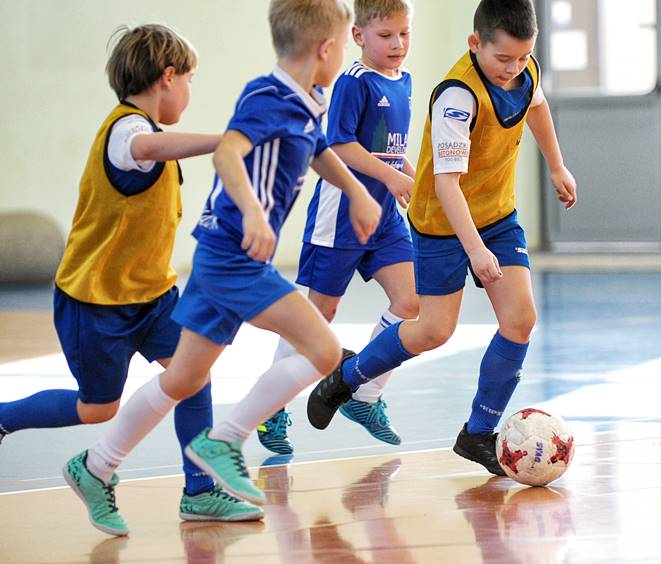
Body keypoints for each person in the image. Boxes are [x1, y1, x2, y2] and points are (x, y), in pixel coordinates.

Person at [63, 0, 382, 536]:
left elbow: (318, 148)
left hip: (220, 254)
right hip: (234, 256)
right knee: (325, 350)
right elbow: (228, 154)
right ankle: (226, 439)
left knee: (183, 378)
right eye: (343, 44)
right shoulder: (267, 95)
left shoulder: (311, 97)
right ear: (326, 49)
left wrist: (356, 191)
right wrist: (254, 212)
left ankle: (95, 466)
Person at [0, 24, 262, 524]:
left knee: (192, 374)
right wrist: (226, 141)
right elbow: (145, 150)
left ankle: (200, 491)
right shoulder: (127, 130)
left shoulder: (147, 131)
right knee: (98, 409)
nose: (190, 90)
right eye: (190, 79)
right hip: (96, 301)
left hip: (153, 295)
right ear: (168, 76)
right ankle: (3, 418)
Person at [306, 0, 577, 476]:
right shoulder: (457, 96)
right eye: (503, 59)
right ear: (475, 44)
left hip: (497, 214)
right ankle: (348, 375)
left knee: (520, 320)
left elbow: (537, 104)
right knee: (434, 330)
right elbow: (447, 185)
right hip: (442, 222)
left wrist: (557, 165)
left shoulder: (523, 69)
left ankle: (477, 433)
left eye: (522, 58)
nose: (513, 69)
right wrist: (475, 250)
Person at [258, 0, 416, 455]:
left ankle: (364, 394)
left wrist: (412, 176)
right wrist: (391, 176)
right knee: (317, 316)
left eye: (404, 33)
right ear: (358, 36)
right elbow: (340, 145)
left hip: (384, 218)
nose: (397, 44)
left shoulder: (403, 81)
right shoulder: (353, 82)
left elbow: (388, 151)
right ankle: (270, 405)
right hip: (341, 216)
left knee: (411, 303)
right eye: (386, 35)